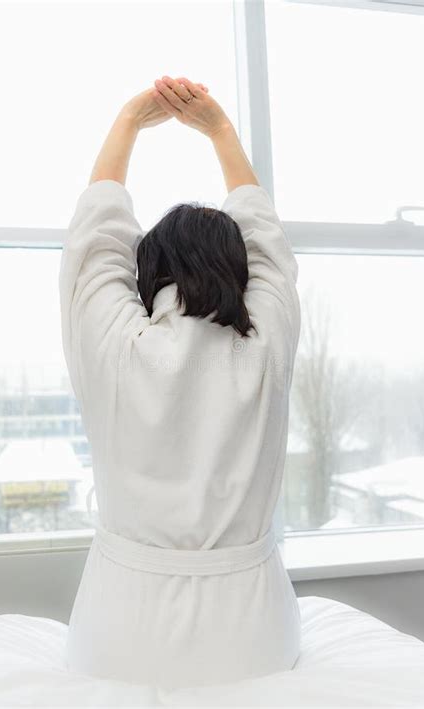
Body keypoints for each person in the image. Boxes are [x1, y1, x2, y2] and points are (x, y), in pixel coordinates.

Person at [59, 75, 302, 691]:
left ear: (147, 271)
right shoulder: (266, 343)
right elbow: (268, 245)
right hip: (256, 641)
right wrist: (219, 130)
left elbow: (97, 240)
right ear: (242, 273)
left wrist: (128, 122)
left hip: (116, 637)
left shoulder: (115, 344)